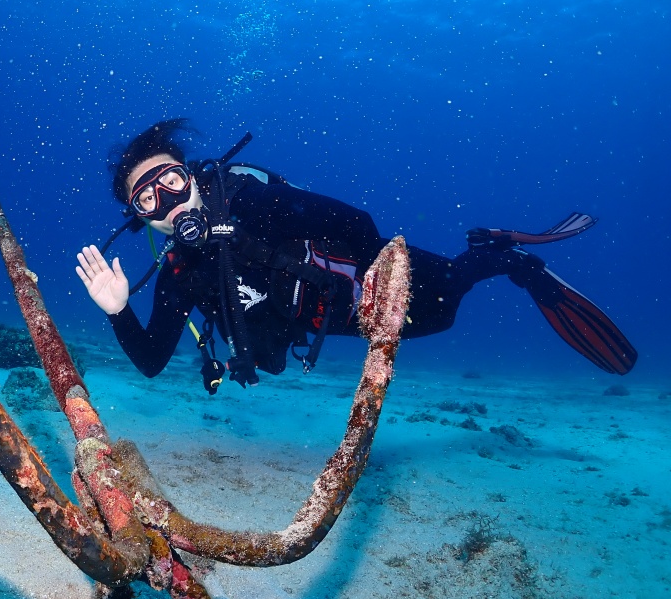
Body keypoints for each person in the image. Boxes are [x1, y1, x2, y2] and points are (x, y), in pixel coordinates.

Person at [75, 119, 636, 393]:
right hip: (334, 321)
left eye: (170, 181)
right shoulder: (179, 272)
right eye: (147, 199)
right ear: (141, 218)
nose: (167, 202)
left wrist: (378, 282)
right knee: (441, 321)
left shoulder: (258, 203)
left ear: (194, 178)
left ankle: (505, 258)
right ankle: (491, 258)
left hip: (367, 274)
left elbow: (357, 224)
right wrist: (118, 308)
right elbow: (151, 361)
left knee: (444, 302)